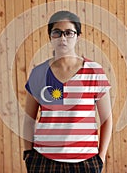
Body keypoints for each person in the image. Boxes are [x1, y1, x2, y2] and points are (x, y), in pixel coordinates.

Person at [23, 11, 112, 173]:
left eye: (69, 33)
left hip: (86, 162)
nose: (63, 38)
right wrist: (28, 154)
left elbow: (107, 119)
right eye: (57, 32)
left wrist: (101, 157)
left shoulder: (94, 71)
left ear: (78, 36)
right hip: (44, 161)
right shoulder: (39, 73)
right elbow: (29, 119)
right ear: (50, 36)